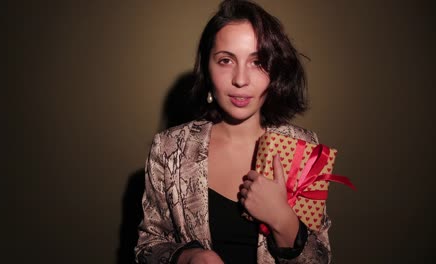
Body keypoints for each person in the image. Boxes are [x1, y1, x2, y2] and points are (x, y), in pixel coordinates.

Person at [135, 1, 331, 263]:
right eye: (226, 60)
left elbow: (321, 258)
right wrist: (188, 257)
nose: (240, 79)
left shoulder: (303, 147)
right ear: (207, 67)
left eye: (258, 61)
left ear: (275, 71)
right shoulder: (168, 149)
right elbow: (147, 246)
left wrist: (283, 220)